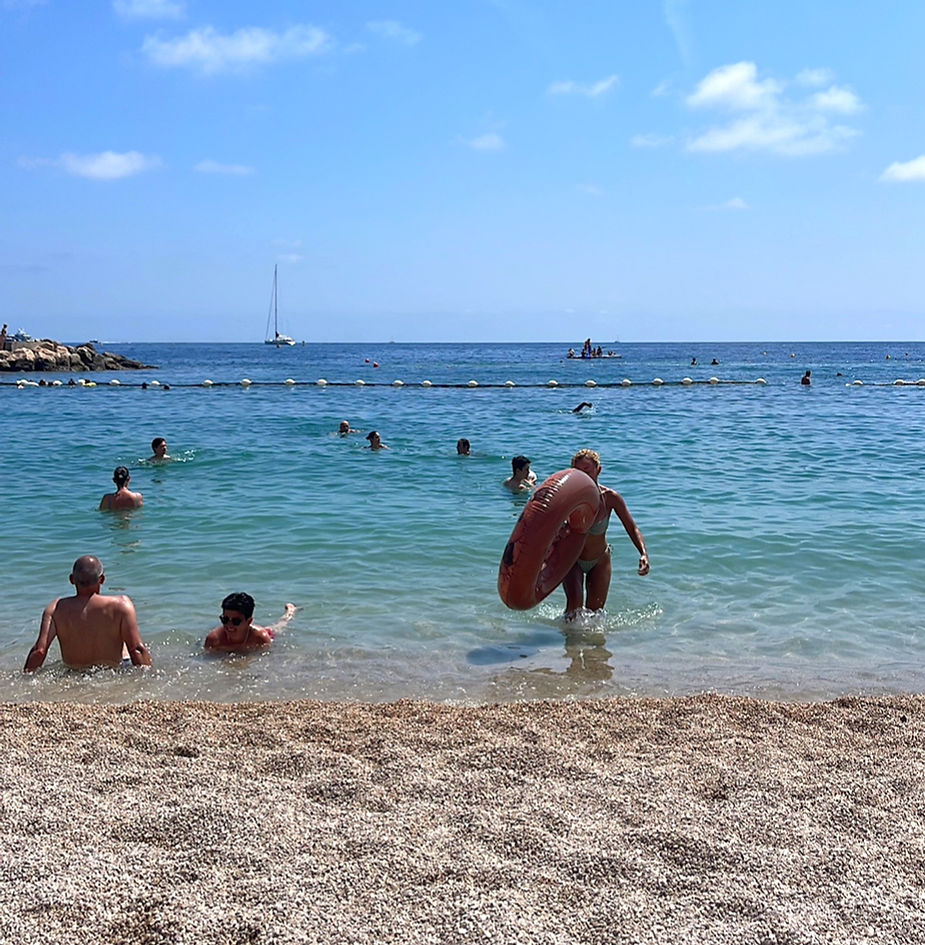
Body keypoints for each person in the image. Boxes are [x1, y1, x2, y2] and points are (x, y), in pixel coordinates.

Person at [24, 555, 151, 671]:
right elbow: (137, 650)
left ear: (72, 579)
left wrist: (24, 680)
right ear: (102, 579)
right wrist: (148, 681)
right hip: (111, 672)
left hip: (74, 673)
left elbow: (39, 651)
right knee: (124, 647)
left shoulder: (56, 608)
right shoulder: (121, 605)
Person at [563, 449, 649, 618]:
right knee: (574, 610)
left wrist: (643, 553)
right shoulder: (566, 498)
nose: (583, 475)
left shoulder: (610, 498)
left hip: (599, 560)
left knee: (596, 615)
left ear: (599, 470)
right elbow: (548, 529)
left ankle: (594, 645)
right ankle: (568, 643)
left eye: (587, 470)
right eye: (578, 471)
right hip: (573, 560)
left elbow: (632, 527)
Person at [205, 593, 297, 653]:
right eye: (225, 619)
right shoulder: (214, 639)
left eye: (235, 621)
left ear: (249, 621)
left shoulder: (261, 638)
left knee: (280, 625)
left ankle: (290, 612)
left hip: (266, 633)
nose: (229, 625)